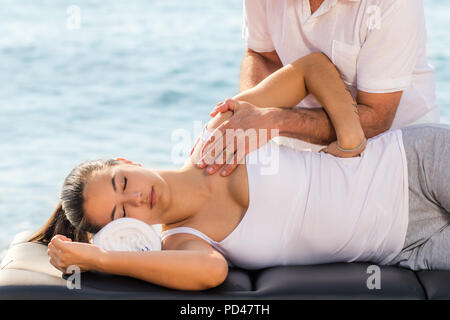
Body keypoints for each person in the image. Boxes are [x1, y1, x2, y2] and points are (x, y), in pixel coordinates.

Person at [30, 53, 450, 291]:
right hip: (406, 247)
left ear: (127, 163)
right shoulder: (183, 243)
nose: (137, 199)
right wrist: (101, 257)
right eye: (122, 215)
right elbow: (211, 273)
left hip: (412, 165)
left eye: (122, 184)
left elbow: (311, 69)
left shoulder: (218, 134)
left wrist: (350, 138)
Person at [196, 0, 440, 177]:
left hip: (399, 153)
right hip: (306, 151)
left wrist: (272, 122)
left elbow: (376, 118)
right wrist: (245, 115)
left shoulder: (393, 5)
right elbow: (263, 55)